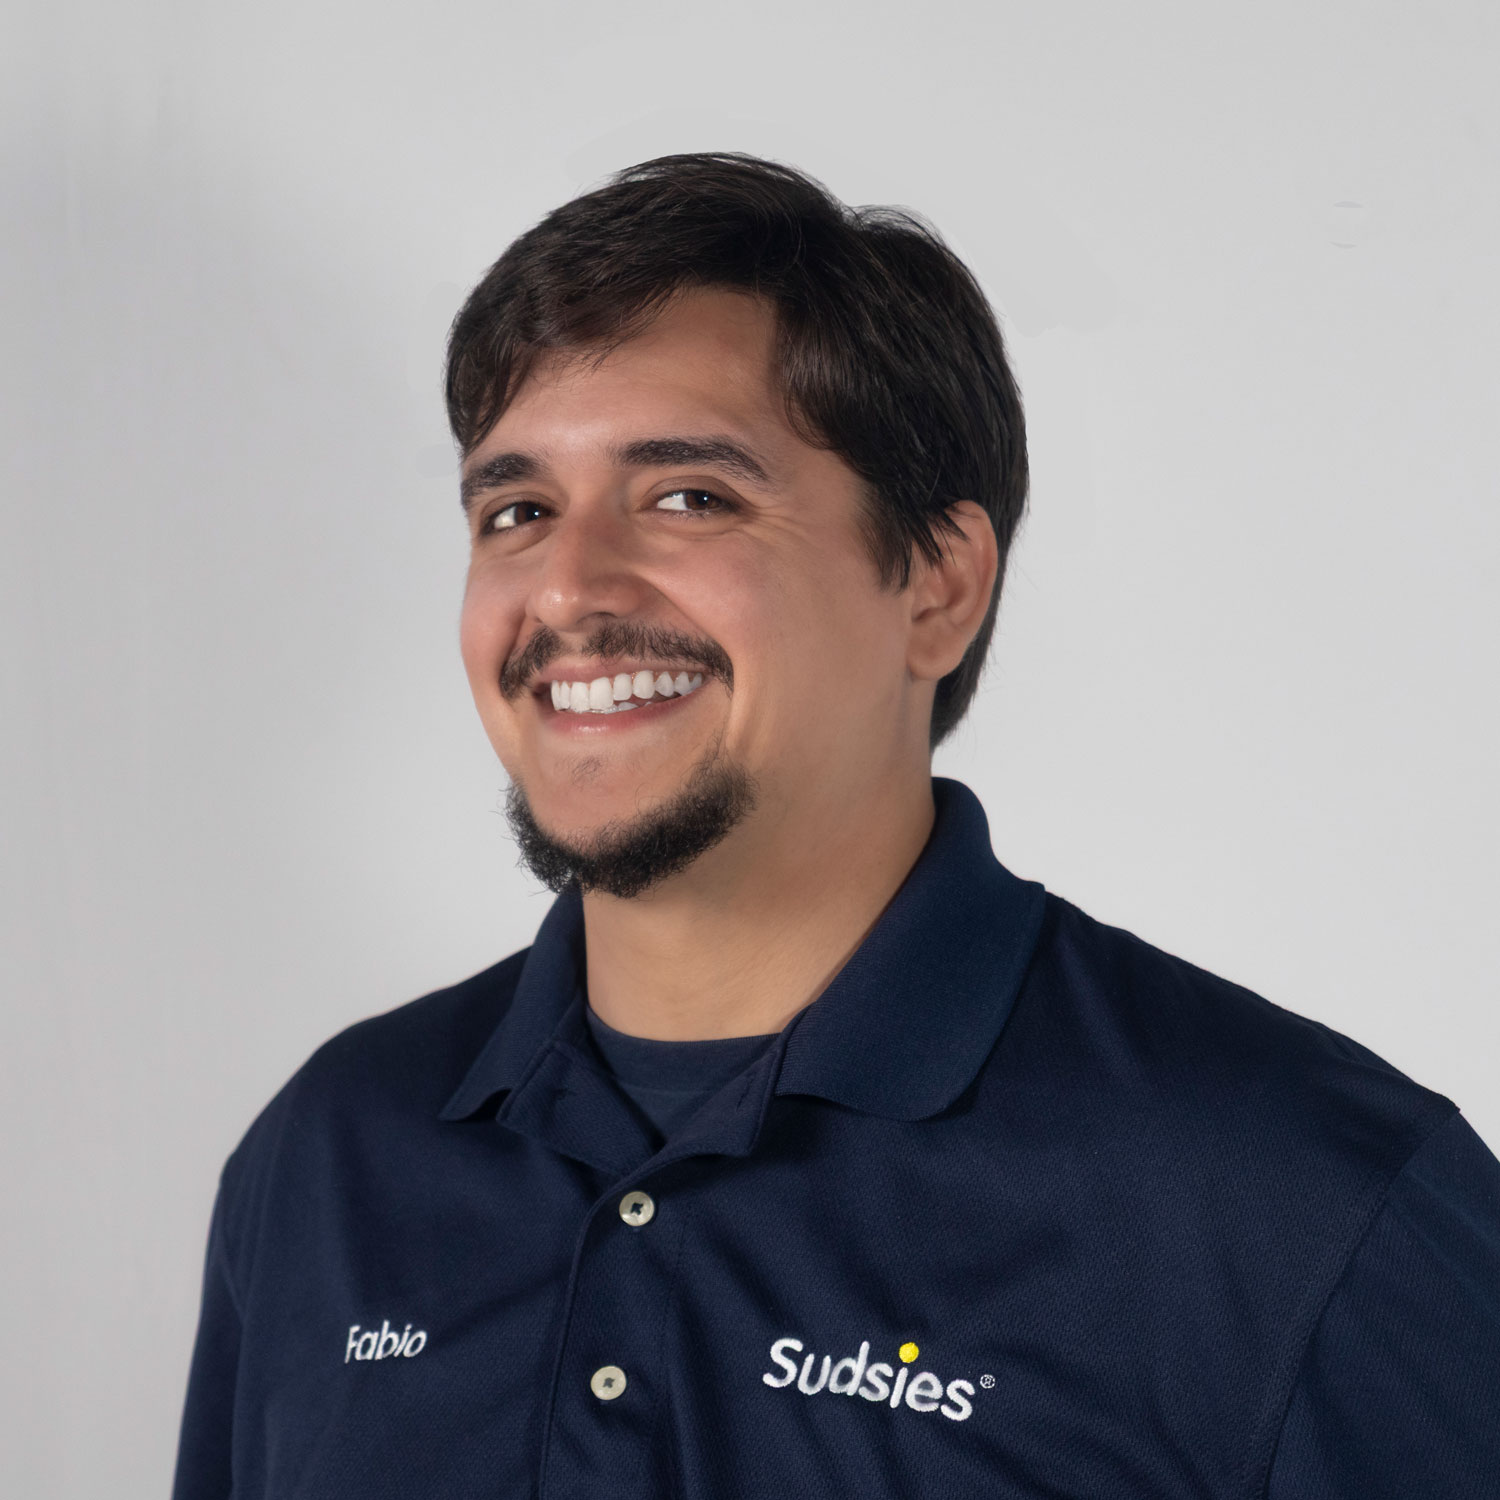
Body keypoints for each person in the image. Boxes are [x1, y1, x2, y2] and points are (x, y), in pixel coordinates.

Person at [171, 153, 1500, 1499]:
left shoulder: (1306, 1204)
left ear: (937, 585)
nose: (566, 590)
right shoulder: (327, 1160)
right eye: (517, 511)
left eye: (689, 496)